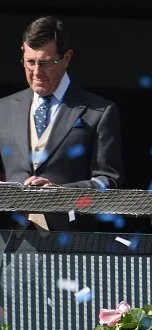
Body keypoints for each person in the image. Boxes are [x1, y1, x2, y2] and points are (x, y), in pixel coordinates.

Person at [0, 16, 124, 232]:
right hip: (9, 242)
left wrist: (61, 193)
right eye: (29, 62)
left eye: (45, 63)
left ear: (66, 58)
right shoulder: (4, 108)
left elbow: (109, 182)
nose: (36, 72)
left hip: (70, 241)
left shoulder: (99, 112)